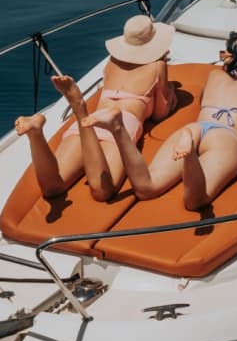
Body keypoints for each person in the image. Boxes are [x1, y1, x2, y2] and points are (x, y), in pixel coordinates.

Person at [84, 32, 237, 211]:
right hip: (226, 136)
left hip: (195, 128)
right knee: (196, 201)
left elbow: (203, 101)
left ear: (233, 57)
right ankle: (189, 159)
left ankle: (118, 129)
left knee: (146, 188)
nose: (221, 55)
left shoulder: (214, 74)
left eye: (224, 52)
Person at [14, 15, 176, 202]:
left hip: (92, 118)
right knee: (103, 191)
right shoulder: (158, 65)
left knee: (53, 187)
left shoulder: (112, 62)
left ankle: (37, 132)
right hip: (121, 121)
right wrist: (171, 94)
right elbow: (159, 113)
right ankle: (79, 108)